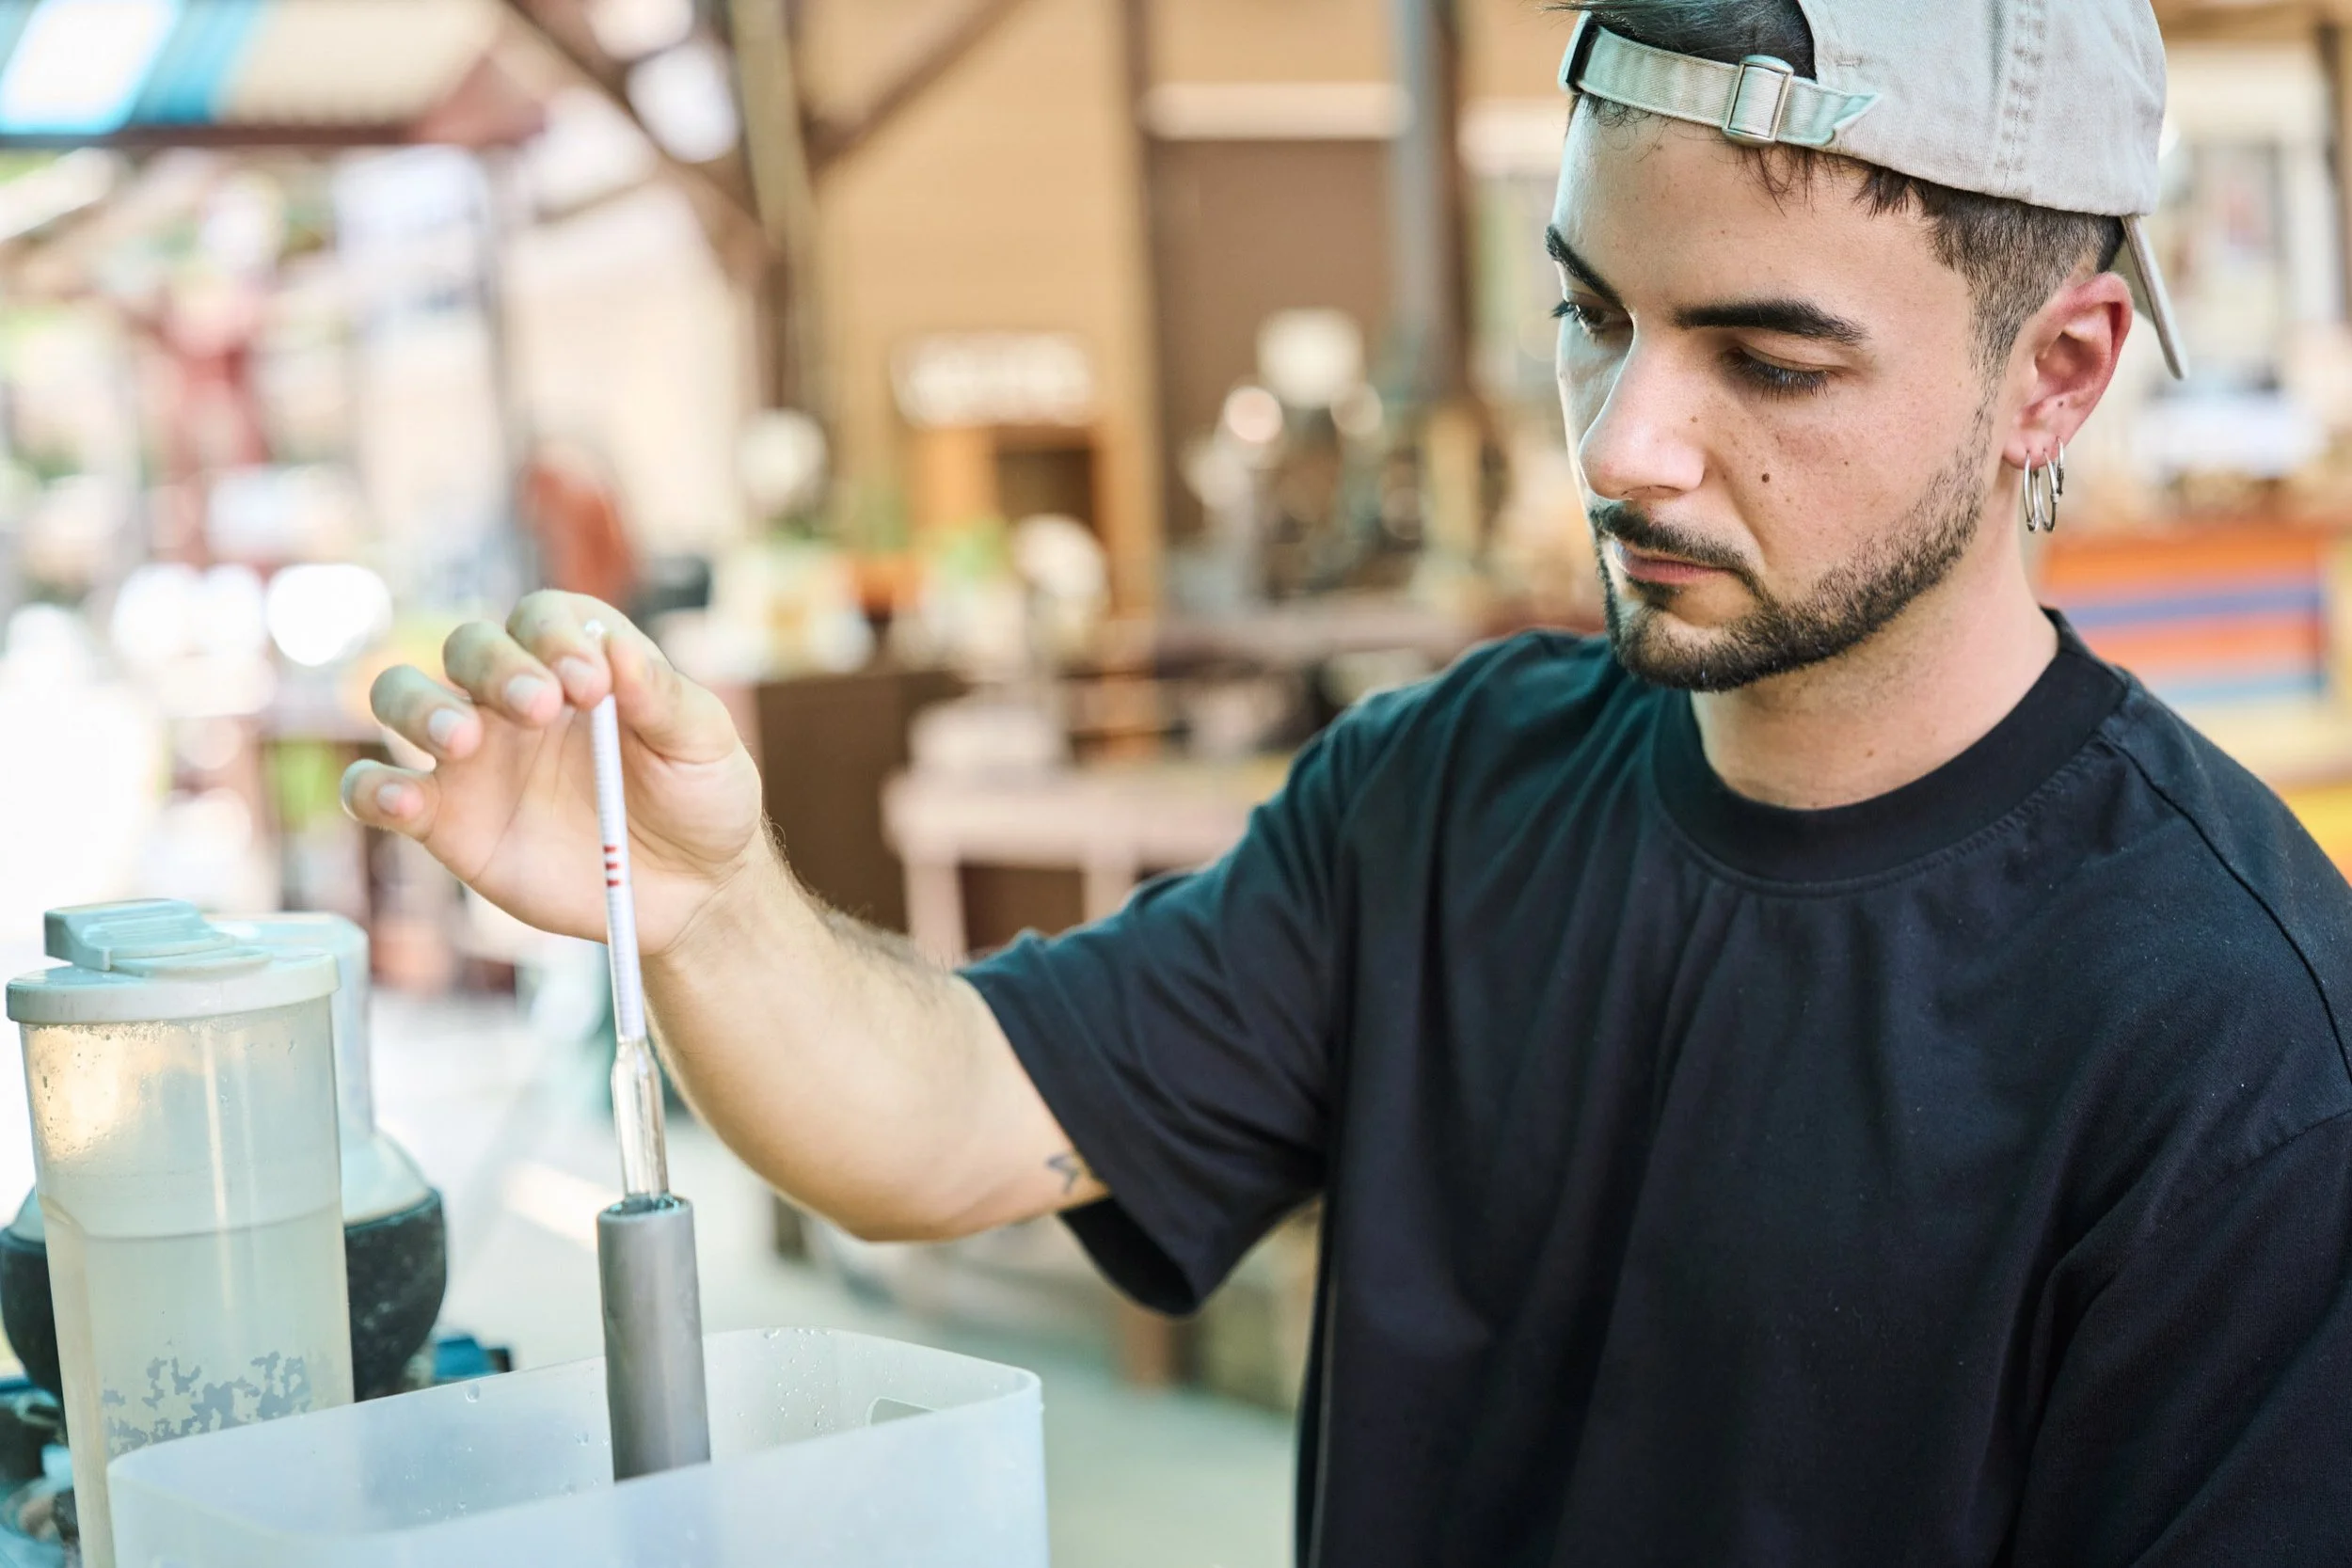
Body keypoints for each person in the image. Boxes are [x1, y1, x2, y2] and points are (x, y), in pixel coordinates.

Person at [344, 1, 2352, 1560]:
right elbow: (949, 1121)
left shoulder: (2235, 1047)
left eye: (1766, 359)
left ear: (2054, 372)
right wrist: (710, 902)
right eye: (1590, 314)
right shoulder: (1448, 791)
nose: (1620, 443)